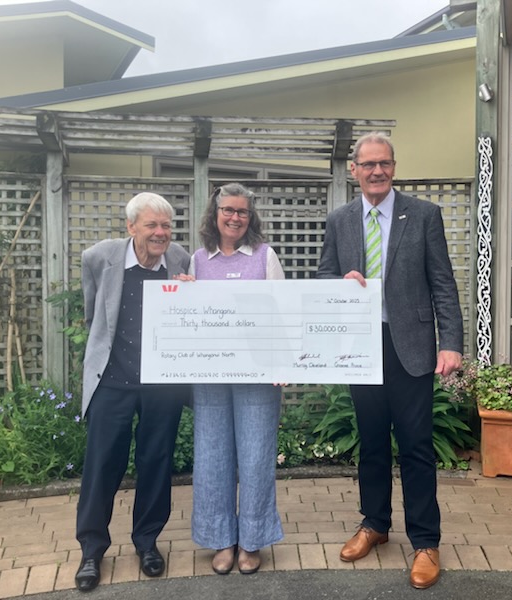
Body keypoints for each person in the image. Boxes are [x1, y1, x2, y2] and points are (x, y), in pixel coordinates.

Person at [317, 132, 463, 590]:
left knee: (416, 446)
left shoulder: (423, 215)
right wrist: (341, 282)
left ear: (394, 167)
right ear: (355, 171)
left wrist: (451, 342)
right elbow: (323, 276)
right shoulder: (340, 220)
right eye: (368, 165)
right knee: (372, 442)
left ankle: (425, 542)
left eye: (384, 163)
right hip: (361, 346)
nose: (376, 171)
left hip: (412, 347)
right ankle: (375, 524)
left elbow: (443, 282)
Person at [74, 192, 191, 592]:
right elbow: (93, 313)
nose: (160, 233)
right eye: (151, 225)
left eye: (166, 226)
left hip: (162, 382)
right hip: (113, 380)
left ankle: (147, 542)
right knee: (102, 465)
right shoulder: (99, 257)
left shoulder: (180, 260)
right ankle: (92, 550)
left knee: (156, 462)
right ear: (131, 227)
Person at [185, 183, 285, 575]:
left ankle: (252, 540)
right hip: (210, 375)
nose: (235, 217)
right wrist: (181, 296)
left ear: (250, 217)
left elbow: (281, 312)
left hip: (258, 375)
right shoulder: (198, 259)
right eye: (228, 210)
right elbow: (191, 316)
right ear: (214, 214)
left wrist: (282, 364)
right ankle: (221, 538)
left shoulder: (265, 256)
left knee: (256, 456)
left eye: (242, 211)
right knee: (212, 456)